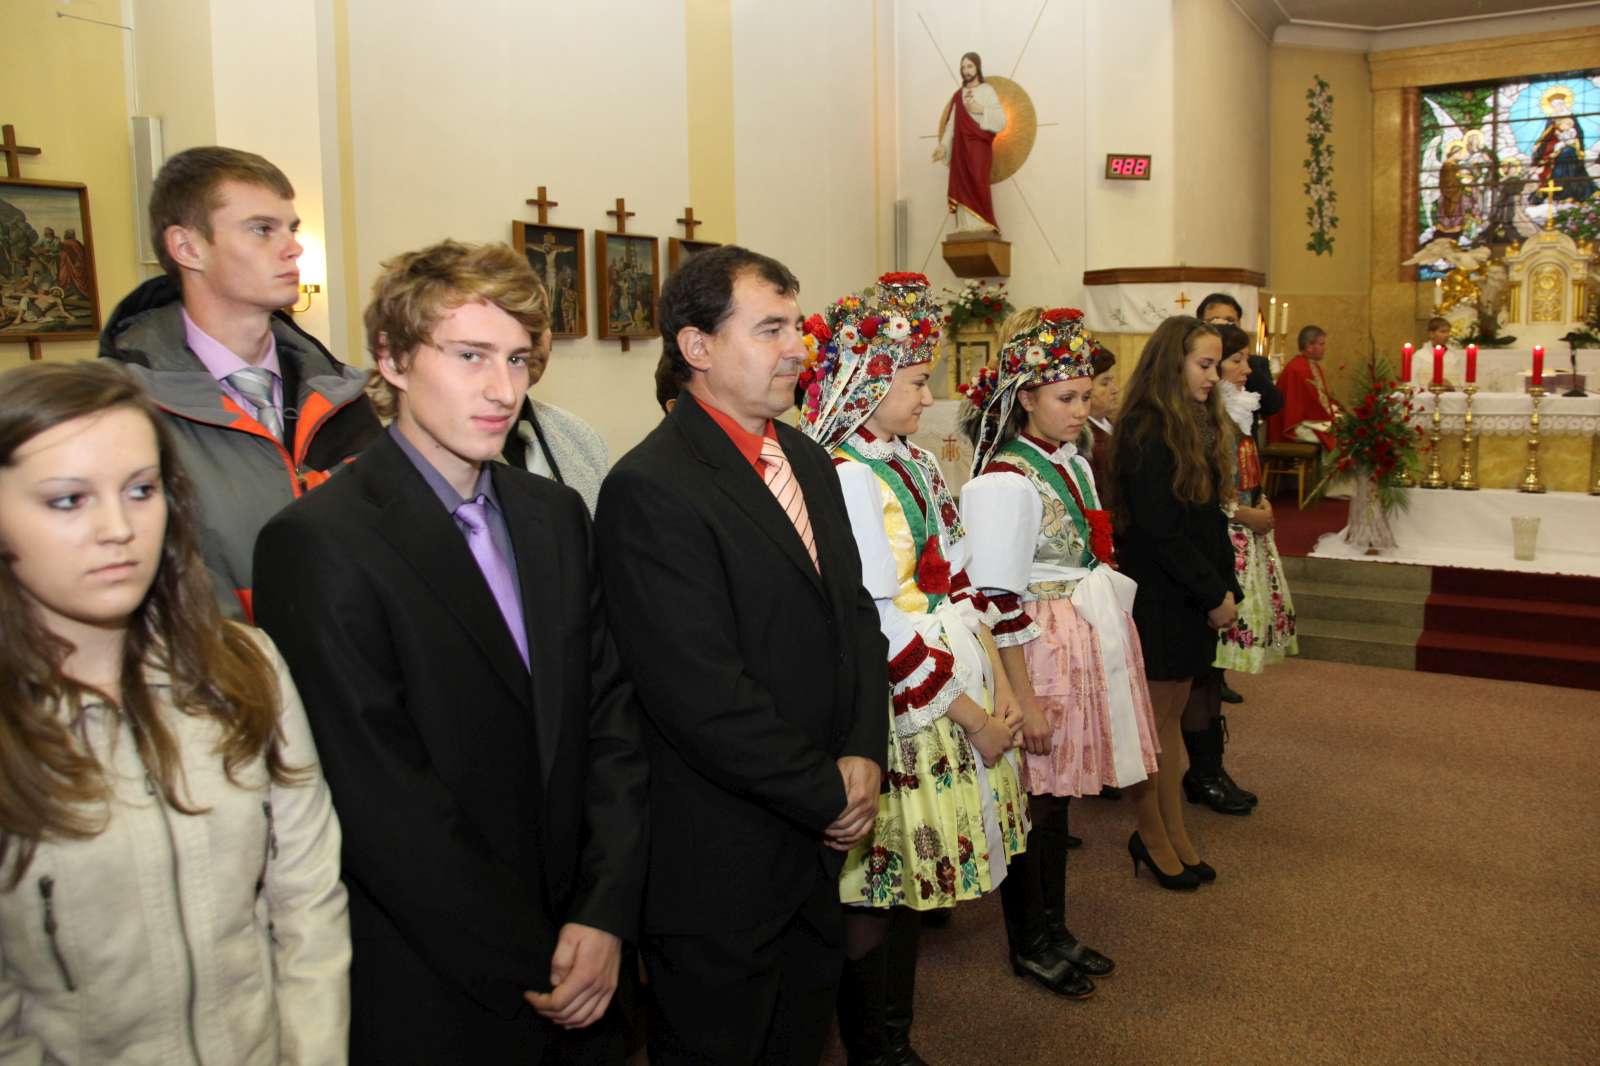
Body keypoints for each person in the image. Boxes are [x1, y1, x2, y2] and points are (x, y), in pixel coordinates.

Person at [253, 240, 648, 1064]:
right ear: (392, 359)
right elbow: (381, 802)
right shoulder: (319, 542)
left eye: (518, 359)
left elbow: (610, 721)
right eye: (470, 356)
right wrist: (538, 957)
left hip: (590, 946)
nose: (503, 389)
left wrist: (605, 912)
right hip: (438, 976)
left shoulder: (553, 516)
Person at [0, 361, 348, 1063]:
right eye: (68, 500)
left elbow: (306, 904)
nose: (118, 529)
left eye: (141, 490)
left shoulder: (244, 669)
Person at [594, 246, 886, 1066]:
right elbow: (698, 692)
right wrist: (826, 790)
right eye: (771, 329)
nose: (799, 348)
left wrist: (865, 749)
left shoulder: (806, 459)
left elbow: (855, 617)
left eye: (796, 326)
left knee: (798, 1036)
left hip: (816, 838)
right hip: (721, 854)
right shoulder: (651, 486)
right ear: (698, 346)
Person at [798, 273, 1029, 1055]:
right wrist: (970, 716)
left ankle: (893, 1036)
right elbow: (879, 620)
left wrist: (999, 679)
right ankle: (875, 1045)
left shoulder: (918, 462)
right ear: (865, 380)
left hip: (952, 676)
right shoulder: (844, 474)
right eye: (916, 381)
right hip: (901, 702)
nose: (928, 398)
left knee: (909, 892)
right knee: (881, 887)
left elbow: (959, 578)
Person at [960, 306, 1160, 996]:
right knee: (1035, 803)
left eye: (1084, 395)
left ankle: (1056, 927)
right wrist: (1023, 696)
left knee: (1059, 799)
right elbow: (995, 596)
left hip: (1073, 636)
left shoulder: (1070, 461)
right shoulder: (1006, 479)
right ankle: (1030, 939)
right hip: (1036, 650)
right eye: (1065, 398)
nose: (1080, 410)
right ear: (1025, 399)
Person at [99, 146, 381, 620]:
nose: (293, 247)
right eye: (262, 229)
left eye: (291, 229)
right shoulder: (118, 410)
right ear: (188, 248)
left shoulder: (344, 395)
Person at [1109, 316, 1241, 891]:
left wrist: (1226, 585)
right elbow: (1160, 532)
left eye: (1216, 365)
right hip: (1162, 595)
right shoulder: (1147, 430)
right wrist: (1211, 592)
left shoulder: (1193, 422)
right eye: (1204, 365)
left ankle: (1172, 830)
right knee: (1155, 728)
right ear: (1173, 363)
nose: (1213, 376)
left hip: (1191, 592)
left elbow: (1208, 520)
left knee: (1172, 725)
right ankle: (1152, 833)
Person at [1181, 326, 1296, 816]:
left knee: (1215, 670)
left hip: (1241, 541)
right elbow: (1201, 494)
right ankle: (1202, 772)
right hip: (1219, 544)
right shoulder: (1203, 421)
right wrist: (1244, 513)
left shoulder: (1238, 412)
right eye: (1237, 361)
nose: (1247, 370)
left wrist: (1260, 503)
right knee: (1202, 671)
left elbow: (1243, 477)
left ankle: (1210, 766)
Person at [501, 325, 609, 515]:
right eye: (519, 317)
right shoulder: (448, 447)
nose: (534, 334)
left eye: (541, 320)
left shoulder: (581, 436)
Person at [932, 51, 1007, 233]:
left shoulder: (987, 90)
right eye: (963, 67)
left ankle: (982, 223)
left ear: (977, 67)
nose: (966, 70)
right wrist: (943, 146)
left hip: (979, 147)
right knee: (962, 183)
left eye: (970, 66)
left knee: (978, 180)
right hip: (961, 149)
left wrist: (980, 109)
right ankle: (965, 226)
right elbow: (951, 124)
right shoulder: (959, 95)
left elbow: (1001, 121)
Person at [1196, 292, 1283, 419]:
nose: (1223, 326)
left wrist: (1241, 360)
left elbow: (1273, 405)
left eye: (1230, 321)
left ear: (1240, 324)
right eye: (1214, 321)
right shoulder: (1194, 365)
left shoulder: (1255, 364)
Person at [1268, 324, 1339, 450]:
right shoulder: (1297, 369)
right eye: (1321, 344)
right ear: (1309, 346)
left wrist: (1332, 408)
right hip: (1296, 425)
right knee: (1337, 436)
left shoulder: (1312, 365)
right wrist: (1329, 413)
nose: (1325, 348)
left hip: (1308, 419)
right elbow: (1303, 406)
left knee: (1342, 426)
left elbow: (1318, 399)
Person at [1085, 341, 1118, 490]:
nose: (1115, 390)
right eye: (1104, 383)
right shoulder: (1084, 442)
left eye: (1112, 381)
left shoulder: (1114, 425)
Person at [1409, 316, 1465, 390]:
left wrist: (1452, 387)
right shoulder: (1420, 355)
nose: (1447, 335)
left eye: (1448, 331)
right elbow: (1412, 381)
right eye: (1443, 331)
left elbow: (1462, 381)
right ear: (1431, 334)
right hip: (1426, 395)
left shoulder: (1454, 356)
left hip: (1450, 394)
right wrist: (1427, 387)